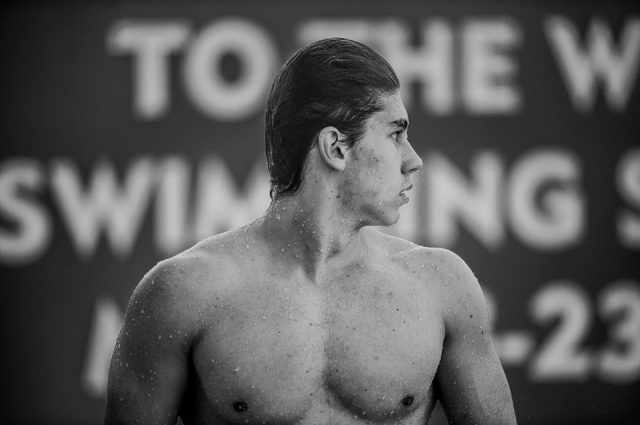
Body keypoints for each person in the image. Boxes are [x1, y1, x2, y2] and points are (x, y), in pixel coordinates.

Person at [104, 37, 517, 425]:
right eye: (395, 134)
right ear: (335, 148)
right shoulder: (183, 294)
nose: (413, 160)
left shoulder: (440, 285)